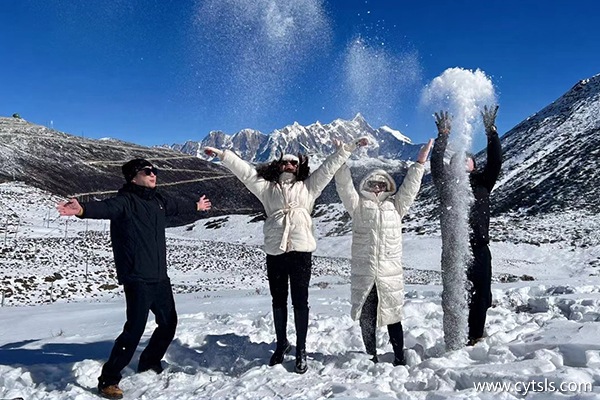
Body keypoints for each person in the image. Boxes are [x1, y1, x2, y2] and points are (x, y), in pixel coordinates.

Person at [204, 138, 368, 374]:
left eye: (293, 162)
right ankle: (282, 344)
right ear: (278, 166)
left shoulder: (309, 187)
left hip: (301, 252)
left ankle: (301, 349)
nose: (289, 165)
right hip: (275, 251)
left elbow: (329, 167)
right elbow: (246, 173)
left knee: (300, 301)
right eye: (285, 162)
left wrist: (348, 148)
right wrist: (223, 155)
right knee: (278, 300)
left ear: (298, 167)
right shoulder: (267, 188)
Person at [57, 158, 212, 399]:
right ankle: (108, 379)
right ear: (133, 177)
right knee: (134, 329)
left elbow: (176, 206)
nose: (153, 175)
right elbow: (105, 208)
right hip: (137, 277)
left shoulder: (158, 200)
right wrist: (82, 210)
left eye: (155, 171)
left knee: (168, 324)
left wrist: (196, 206)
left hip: (160, 276)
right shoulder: (125, 202)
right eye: (147, 171)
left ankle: (149, 362)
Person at [334, 140, 432, 365]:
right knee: (367, 315)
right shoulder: (357, 206)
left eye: (381, 183)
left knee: (393, 316)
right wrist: (340, 159)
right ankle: (371, 355)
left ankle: (399, 356)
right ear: (366, 185)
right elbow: (344, 185)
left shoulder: (396, 206)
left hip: (390, 272)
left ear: (388, 186)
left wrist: (419, 163)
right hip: (365, 272)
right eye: (372, 183)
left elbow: (410, 188)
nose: (377, 187)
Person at [430, 106, 502, 346]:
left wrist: (491, 132)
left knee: (481, 296)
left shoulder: (484, 183)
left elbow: (496, 161)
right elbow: (436, 164)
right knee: (453, 294)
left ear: (474, 165)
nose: (462, 162)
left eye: (467, 159)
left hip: (480, 249)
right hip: (453, 250)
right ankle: (453, 338)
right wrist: (443, 137)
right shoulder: (446, 185)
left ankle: (475, 336)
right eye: (456, 160)